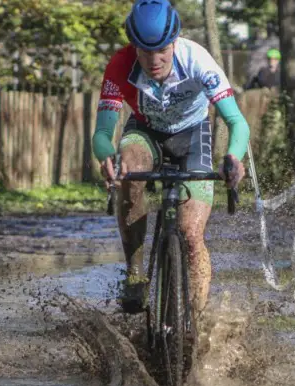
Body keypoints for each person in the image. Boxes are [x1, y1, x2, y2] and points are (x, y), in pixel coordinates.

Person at [92, 0, 249, 316]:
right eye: (145, 50)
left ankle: (196, 318)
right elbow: (101, 133)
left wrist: (233, 157)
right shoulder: (120, 64)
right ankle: (135, 274)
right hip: (145, 131)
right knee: (129, 165)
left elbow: (237, 122)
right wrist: (107, 156)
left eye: (162, 49)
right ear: (133, 46)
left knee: (191, 233)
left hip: (193, 135)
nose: (154, 60)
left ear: (175, 40)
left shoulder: (198, 60)